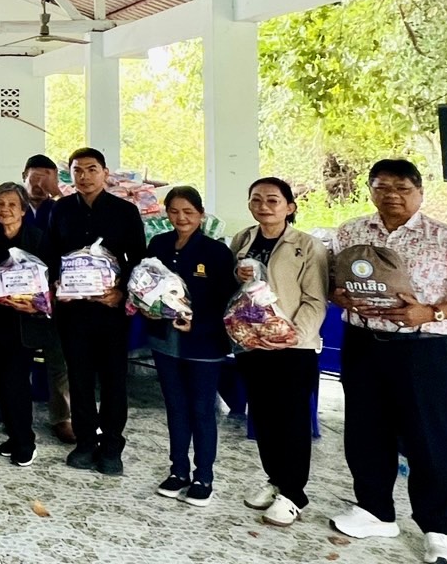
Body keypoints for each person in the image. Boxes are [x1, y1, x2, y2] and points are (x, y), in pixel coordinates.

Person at [326, 160, 447, 564]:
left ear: (419, 192)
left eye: (402, 188)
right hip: (363, 344)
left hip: (422, 349)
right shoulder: (350, 232)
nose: (392, 196)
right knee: (365, 432)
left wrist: (431, 312)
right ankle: (375, 511)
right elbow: (333, 282)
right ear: (370, 190)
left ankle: (439, 529)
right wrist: (340, 296)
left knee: (428, 439)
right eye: (382, 187)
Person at [231, 177, 328, 527]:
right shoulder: (243, 239)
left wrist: (293, 335)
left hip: (293, 347)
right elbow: (238, 288)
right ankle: (275, 480)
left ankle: (294, 494)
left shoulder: (307, 246)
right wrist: (237, 274)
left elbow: (316, 299)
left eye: (273, 200)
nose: (264, 206)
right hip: (253, 342)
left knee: (291, 420)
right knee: (263, 415)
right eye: (256, 200)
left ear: (290, 207)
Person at [48, 146, 145, 476]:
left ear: (105, 173)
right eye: (77, 170)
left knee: (114, 379)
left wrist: (121, 292)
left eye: (91, 169)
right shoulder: (61, 210)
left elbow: (139, 260)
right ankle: (86, 442)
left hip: (110, 312)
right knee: (79, 378)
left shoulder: (125, 211)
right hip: (73, 312)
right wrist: (57, 285)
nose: (84, 176)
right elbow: (51, 255)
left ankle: (112, 445)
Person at [141, 186, 236, 508]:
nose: (181, 218)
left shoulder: (216, 252)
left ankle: (203, 477)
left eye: (188, 212)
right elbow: (145, 284)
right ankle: (178, 470)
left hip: (204, 344)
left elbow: (228, 301)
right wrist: (145, 307)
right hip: (165, 340)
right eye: (174, 211)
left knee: (202, 410)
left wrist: (200, 323)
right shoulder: (159, 244)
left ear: (201, 215)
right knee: (176, 407)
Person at [0, 182, 48, 467]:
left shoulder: (38, 238)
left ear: (23, 209)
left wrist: (36, 304)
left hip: (25, 321)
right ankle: (13, 434)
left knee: (15, 380)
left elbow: (49, 281)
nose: (5, 209)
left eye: (12, 205)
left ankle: (25, 441)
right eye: (0, 204)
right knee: (0, 381)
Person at [22, 152, 73, 445]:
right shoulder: (13, 204)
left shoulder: (63, 209)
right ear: (24, 177)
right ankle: (13, 412)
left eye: (47, 178)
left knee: (59, 359)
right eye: (35, 177)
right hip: (19, 295)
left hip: (56, 294)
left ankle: (62, 417)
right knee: (17, 357)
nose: (40, 184)